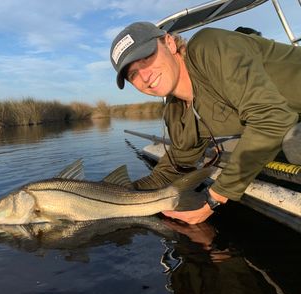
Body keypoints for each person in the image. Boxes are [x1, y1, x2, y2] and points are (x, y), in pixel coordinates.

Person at [110, 22, 301, 224]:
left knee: (293, 144)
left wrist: (214, 198)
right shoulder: (176, 112)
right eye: (133, 74)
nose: (145, 76)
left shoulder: (209, 47)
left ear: (169, 43)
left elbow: (272, 117)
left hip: (287, 119)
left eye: (147, 57)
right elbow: (176, 164)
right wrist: (113, 195)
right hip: (291, 118)